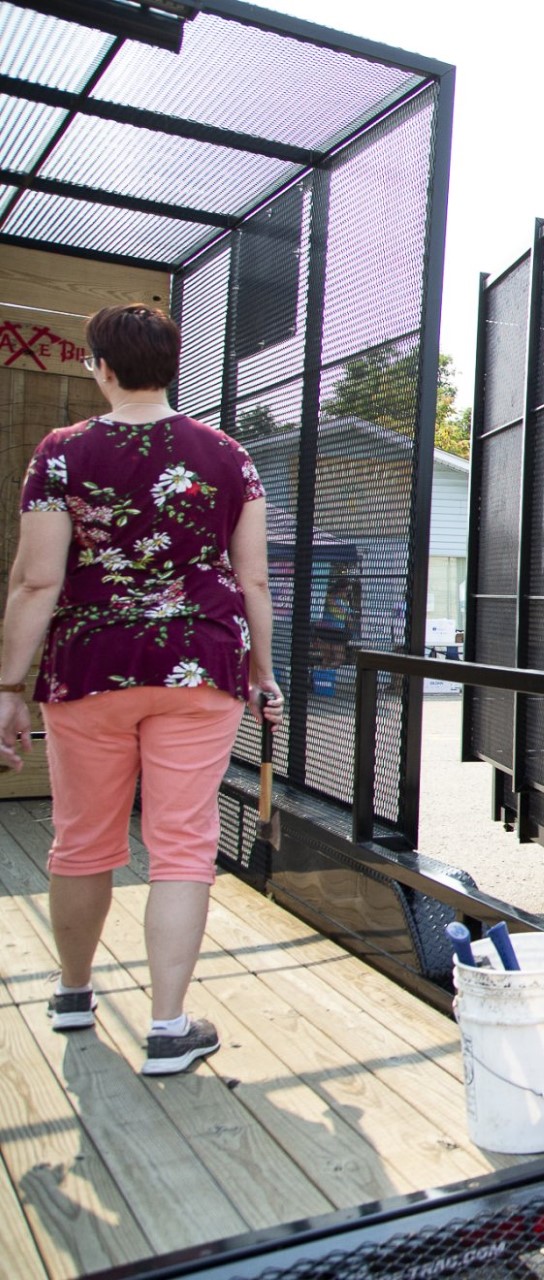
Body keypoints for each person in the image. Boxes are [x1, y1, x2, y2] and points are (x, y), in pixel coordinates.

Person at [0, 303, 282, 1077]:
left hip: (89, 669)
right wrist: (263, 672)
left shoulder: (60, 454)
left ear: (101, 365)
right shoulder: (228, 455)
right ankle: (166, 1028)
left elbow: (35, 580)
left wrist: (6, 685)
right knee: (183, 845)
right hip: (200, 667)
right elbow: (252, 577)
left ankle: (70, 992)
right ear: (170, 365)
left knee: (83, 839)